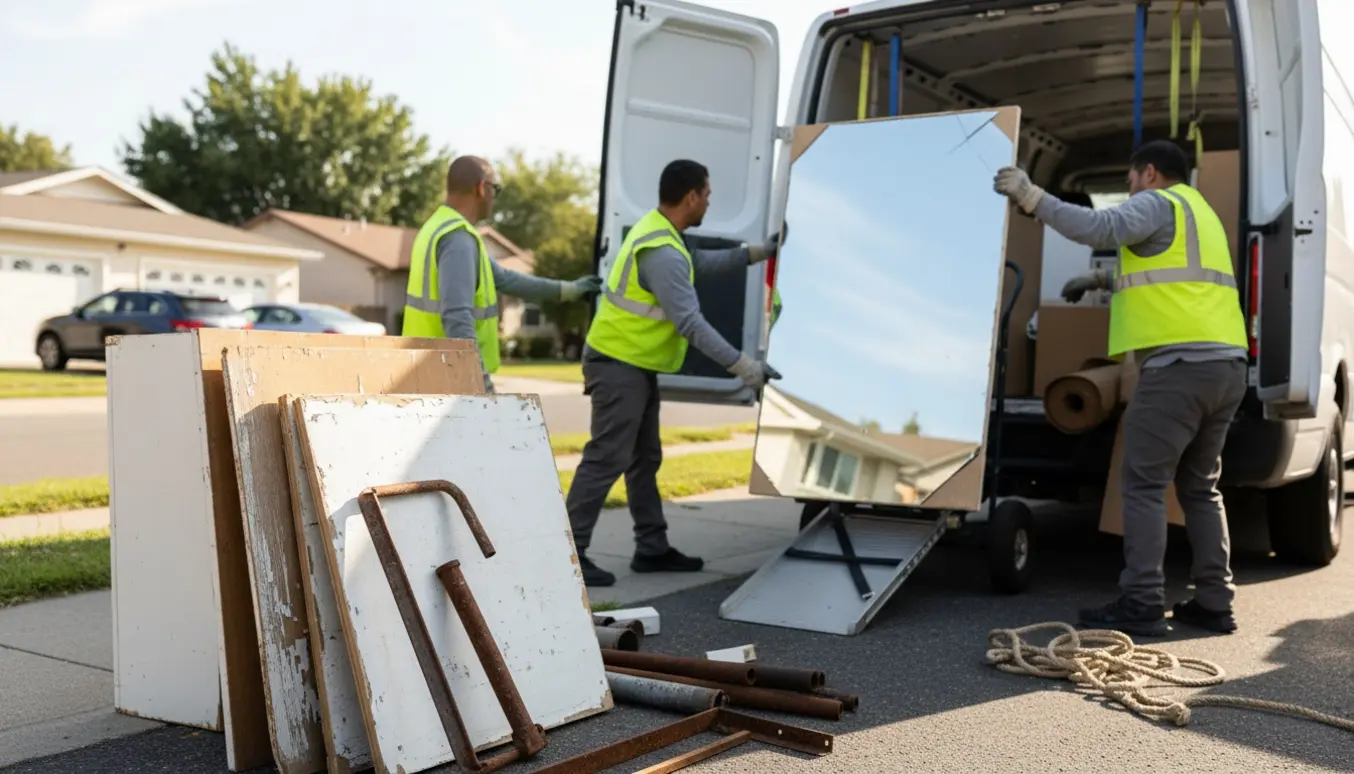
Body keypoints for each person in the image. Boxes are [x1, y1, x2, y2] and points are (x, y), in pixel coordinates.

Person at [993, 140, 1248, 636]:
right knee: (1200, 488)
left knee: (1144, 485)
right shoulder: (1200, 212)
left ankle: (1143, 601)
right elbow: (1172, 281)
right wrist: (1101, 280)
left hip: (1179, 369)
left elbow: (1103, 227)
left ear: (1149, 172)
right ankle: (1216, 602)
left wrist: (1031, 197)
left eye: (1130, 180)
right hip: (1226, 367)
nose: (1129, 191)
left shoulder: (1156, 202)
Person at [568, 159, 780, 587]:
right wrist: (745, 368)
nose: (708, 201)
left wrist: (759, 253)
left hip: (632, 361)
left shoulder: (663, 235)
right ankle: (568, 552)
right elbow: (691, 324)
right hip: (618, 363)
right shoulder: (662, 250)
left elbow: (700, 263)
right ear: (691, 197)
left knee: (644, 459)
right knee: (607, 457)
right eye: (707, 194)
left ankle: (652, 548)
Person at [402, 155, 603, 391]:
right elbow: (457, 317)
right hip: (447, 379)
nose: (495, 198)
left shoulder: (438, 227)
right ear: (482, 188)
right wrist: (480, 382)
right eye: (496, 189)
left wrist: (570, 290)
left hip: (429, 371)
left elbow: (505, 279)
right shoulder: (458, 238)